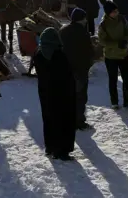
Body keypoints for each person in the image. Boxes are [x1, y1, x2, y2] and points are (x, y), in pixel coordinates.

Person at [34, 27, 77, 160]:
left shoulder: (38, 55)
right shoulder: (59, 55)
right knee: (64, 120)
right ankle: (62, 151)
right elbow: (67, 76)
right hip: (63, 94)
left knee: (48, 120)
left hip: (45, 93)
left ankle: (50, 147)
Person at [59, 7, 96, 131]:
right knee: (80, 97)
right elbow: (89, 52)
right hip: (80, 69)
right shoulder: (83, 33)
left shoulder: (63, 30)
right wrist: (89, 64)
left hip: (65, 69)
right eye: (84, 18)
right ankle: (79, 122)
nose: (86, 20)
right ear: (81, 19)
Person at [98, 1, 128, 109]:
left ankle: (127, 101)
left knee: (126, 79)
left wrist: (126, 41)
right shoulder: (103, 24)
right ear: (108, 13)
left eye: (117, 11)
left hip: (124, 54)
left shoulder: (122, 19)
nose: (116, 13)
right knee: (112, 79)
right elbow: (102, 41)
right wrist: (116, 44)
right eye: (114, 11)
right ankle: (114, 102)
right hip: (111, 56)